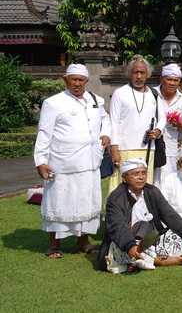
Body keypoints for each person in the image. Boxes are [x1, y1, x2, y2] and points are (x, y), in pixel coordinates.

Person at [34, 64, 110, 258]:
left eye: (80, 80)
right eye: (73, 79)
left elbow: (106, 119)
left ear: (86, 81)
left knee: (87, 201)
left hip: (90, 162)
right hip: (62, 162)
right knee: (59, 201)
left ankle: (83, 241)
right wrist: (40, 161)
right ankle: (53, 244)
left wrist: (105, 135)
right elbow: (44, 133)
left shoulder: (95, 100)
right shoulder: (53, 103)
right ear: (65, 79)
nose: (77, 83)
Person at [99, 158, 182, 273]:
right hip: (128, 242)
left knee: (181, 236)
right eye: (136, 174)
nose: (141, 177)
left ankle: (143, 261)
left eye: (143, 173)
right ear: (124, 178)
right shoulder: (116, 198)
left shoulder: (152, 191)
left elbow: (171, 216)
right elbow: (118, 227)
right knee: (121, 248)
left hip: (152, 240)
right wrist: (130, 246)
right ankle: (158, 260)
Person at [108, 55, 165, 192]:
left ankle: (142, 210)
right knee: (123, 183)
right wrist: (114, 148)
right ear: (130, 74)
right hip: (125, 147)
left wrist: (157, 131)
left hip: (148, 148)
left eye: (142, 73)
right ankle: (119, 211)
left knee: (143, 182)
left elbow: (162, 118)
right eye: (136, 72)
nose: (139, 76)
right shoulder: (120, 93)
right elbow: (113, 122)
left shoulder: (154, 94)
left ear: (148, 75)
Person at [154, 63, 182, 187]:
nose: (172, 83)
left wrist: (178, 124)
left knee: (167, 179)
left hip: (170, 145)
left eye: (176, 80)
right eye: (169, 79)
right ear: (162, 79)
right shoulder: (151, 94)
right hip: (150, 144)